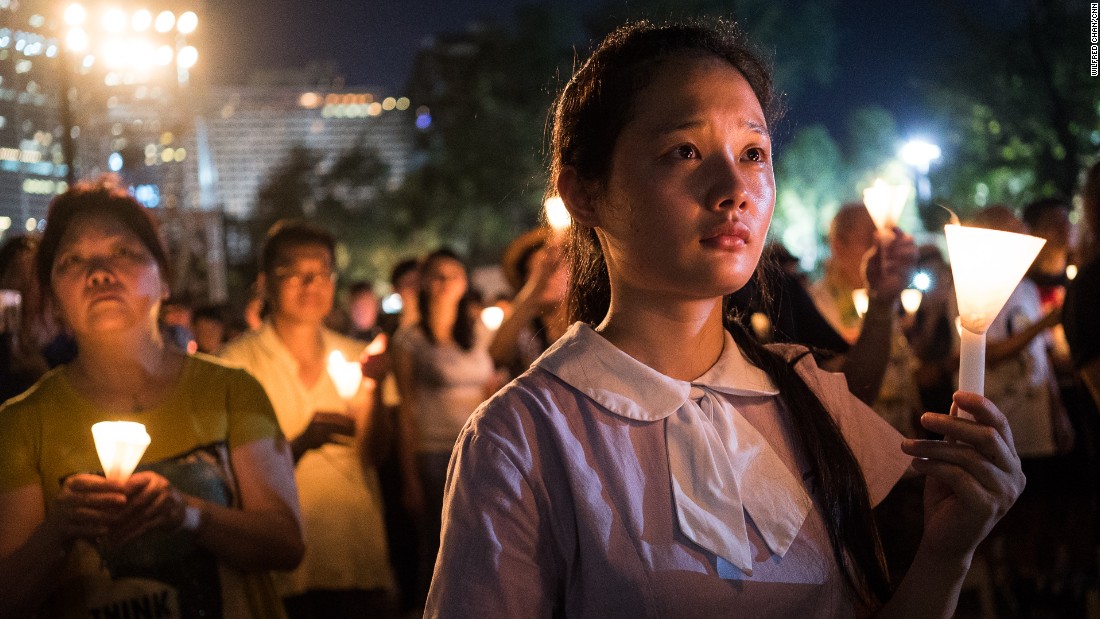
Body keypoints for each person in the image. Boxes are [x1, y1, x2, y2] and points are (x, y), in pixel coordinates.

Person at [425, 20, 1023, 617]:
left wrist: (948, 552)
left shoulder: (809, 397)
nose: (735, 188)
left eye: (753, 153)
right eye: (685, 151)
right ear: (585, 193)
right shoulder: (523, 437)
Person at [0, 177, 304, 618]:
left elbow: (286, 544)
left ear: (163, 281)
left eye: (123, 252)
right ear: (53, 297)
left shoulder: (232, 392)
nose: (99, 272)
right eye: (72, 260)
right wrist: (58, 531)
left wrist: (190, 514)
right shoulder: (21, 424)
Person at [219, 220, 395, 618]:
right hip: (280, 563)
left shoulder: (360, 357)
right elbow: (228, 477)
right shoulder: (234, 366)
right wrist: (298, 444)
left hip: (354, 549)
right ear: (264, 283)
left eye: (321, 272)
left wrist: (376, 391)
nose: (310, 283)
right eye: (293, 272)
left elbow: (376, 455)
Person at [391, 248, 497, 607]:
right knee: (439, 546)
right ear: (423, 282)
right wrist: (409, 478)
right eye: (436, 275)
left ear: (465, 282)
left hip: (478, 448)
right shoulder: (410, 340)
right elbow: (405, 409)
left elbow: (489, 386)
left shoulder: (477, 332)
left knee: (481, 541)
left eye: (452, 275)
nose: (444, 283)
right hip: (433, 453)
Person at [810, 203, 923, 438]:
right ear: (839, 245)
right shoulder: (817, 305)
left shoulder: (888, 298)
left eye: (887, 241)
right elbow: (845, 390)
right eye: (872, 242)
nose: (882, 252)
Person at [490, 227, 570, 379]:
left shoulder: (591, 321)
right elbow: (496, 357)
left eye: (554, 267)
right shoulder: (524, 329)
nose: (545, 277)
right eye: (535, 270)